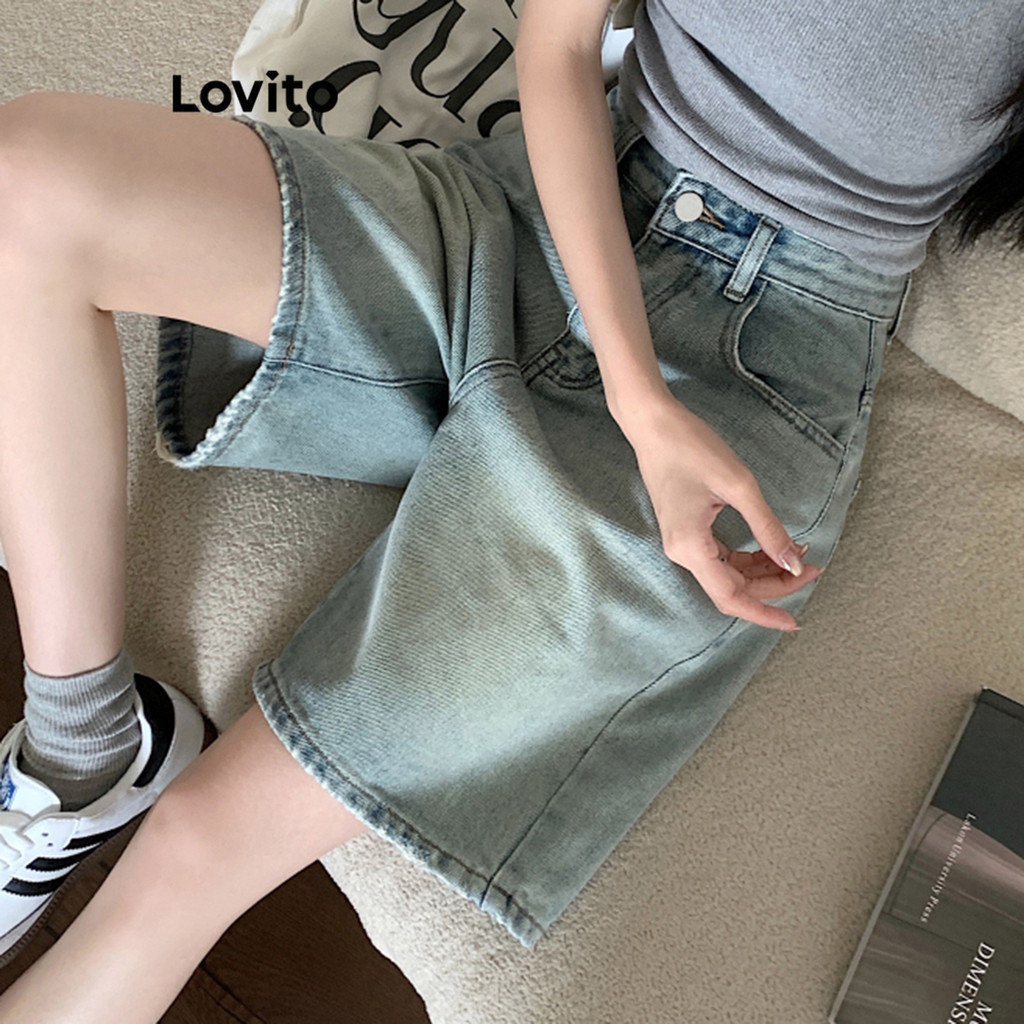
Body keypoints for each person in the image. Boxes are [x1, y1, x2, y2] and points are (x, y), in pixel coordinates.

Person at [0, 0, 1021, 1018]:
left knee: (188, 855)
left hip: (759, 371)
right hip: (556, 207)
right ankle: (83, 743)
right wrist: (634, 392)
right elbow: (558, 43)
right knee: (27, 180)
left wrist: (652, 410)